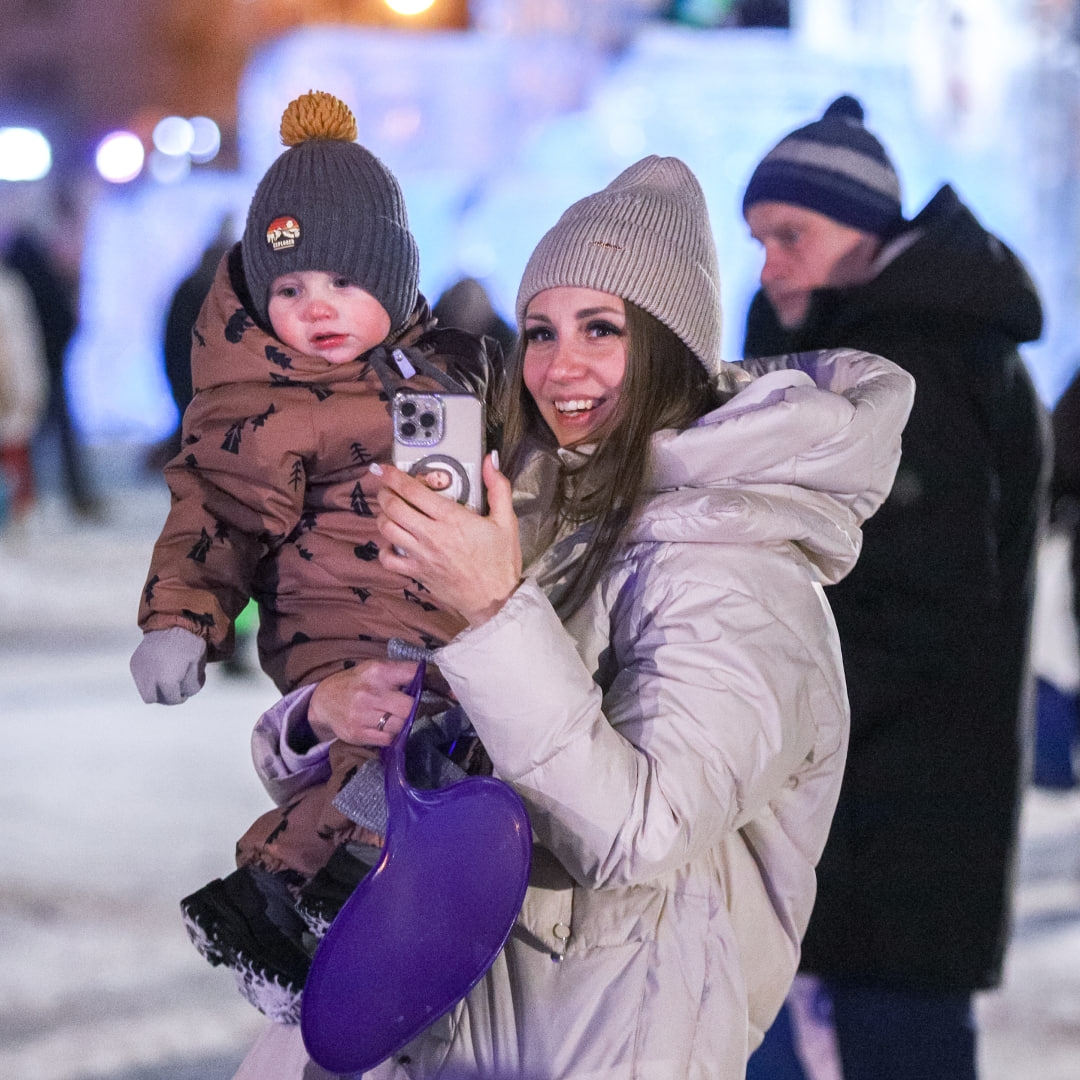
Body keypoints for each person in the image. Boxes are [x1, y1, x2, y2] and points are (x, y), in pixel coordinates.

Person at [230, 154, 915, 1079]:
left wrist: (488, 615)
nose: (561, 367)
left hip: (597, 1041)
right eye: (542, 331)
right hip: (453, 1017)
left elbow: (639, 833)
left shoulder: (742, 571)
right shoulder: (551, 513)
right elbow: (448, 771)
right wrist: (323, 717)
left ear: (673, 344)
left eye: (603, 329)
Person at [129, 91, 501, 1021]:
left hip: (452, 618)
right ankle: (295, 905)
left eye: (343, 283)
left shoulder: (448, 372)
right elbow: (211, 513)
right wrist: (179, 620)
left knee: (432, 757)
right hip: (337, 623)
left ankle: (325, 902)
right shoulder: (256, 407)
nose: (317, 310)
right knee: (374, 759)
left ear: (394, 278)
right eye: (289, 290)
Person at [741, 95, 1049, 1080]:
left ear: (867, 236)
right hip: (867, 804)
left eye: (792, 236)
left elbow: (925, 609)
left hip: (897, 810)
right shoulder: (870, 343)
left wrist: (762, 728)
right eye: (758, 240)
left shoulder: (917, 362)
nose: (770, 263)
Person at [5, 215, 103, 520]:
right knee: (35, 437)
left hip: (33, 367)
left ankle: (27, 501)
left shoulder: (16, 281)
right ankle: (30, 501)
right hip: (31, 369)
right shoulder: (14, 285)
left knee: (29, 438)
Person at [0, 263, 48, 522]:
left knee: (14, 459)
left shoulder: (7, 289)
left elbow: (21, 347)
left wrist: (27, 389)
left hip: (8, 394)